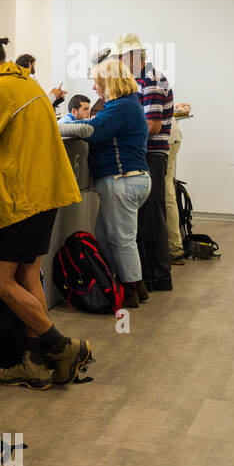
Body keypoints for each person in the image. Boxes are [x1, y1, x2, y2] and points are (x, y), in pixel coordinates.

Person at [0, 27, 90, 388]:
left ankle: (61, 347)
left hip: (21, 199)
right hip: (46, 195)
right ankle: (34, 361)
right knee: (28, 275)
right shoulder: (29, 84)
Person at [59, 58, 152, 307]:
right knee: (105, 235)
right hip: (131, 180)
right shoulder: (128, 104)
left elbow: (91, 130)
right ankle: (133, 285)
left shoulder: (121, 107)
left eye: (97, 83)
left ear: (109, 83)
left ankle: (130, 291)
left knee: (121, 239)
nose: (94, 88)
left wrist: (53, 127)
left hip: (122, 180)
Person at [114, 33, 175, 292]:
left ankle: (158, 275)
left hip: (152, 154)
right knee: (148, 214)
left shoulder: (150, 80)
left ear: (133, 57)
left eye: (120, 57)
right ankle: (151, 273)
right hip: (147, 153)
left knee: (151, 215)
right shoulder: (139, 80)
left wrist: (120, 126)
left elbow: (152, 125)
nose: (118, 62)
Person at [165, 101, 192, 265]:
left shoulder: (142, 83)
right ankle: (174, 246)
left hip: (164, 140)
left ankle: (174, 248)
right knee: (167, 192)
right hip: (171, 136)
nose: (94, 88)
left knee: (165, 193)